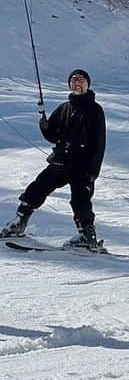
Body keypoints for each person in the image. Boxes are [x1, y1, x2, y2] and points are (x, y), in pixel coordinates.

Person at [0, 69, 106, 249]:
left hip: (82, 166)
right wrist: (43, 121)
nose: (77, 84)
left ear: (88, 84)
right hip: (60, 162)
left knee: (80, 200)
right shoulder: (65, 107)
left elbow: (99, 144)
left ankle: (87, 236)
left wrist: (92, 171)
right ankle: (19, 222)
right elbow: (52, 134)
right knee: (36, 188)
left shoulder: (95, 110)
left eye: (81, 80)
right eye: (73, 81)